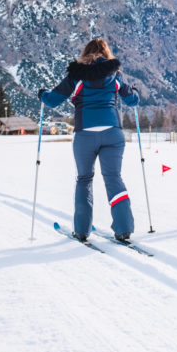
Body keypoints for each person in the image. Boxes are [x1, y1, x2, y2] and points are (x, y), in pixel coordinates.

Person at [39, 38, 139, 242]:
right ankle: (124, 228)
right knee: (113, 178)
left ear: (85, 53)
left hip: (85, 134)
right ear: (106, 53)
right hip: (113, 133)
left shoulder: (76, 76)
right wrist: (134, 91)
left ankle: (82, 231)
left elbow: (51, 100)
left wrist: (42, 93)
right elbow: (132, 100)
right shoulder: (115, 75)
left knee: (84, 179)